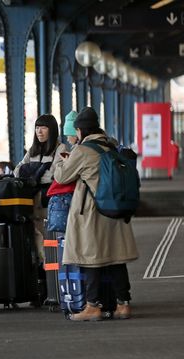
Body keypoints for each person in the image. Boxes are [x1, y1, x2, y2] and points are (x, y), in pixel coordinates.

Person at [54, 106, 138, 321]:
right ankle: (123, 304)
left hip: (92, 211)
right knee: (116, 258)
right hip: (115, 210)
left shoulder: (82, 151)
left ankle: (92, 306)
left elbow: (63, 177)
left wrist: (62, 160)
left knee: (91, 257)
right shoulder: (111, 145)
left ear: (80, 131)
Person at [14, 114, 66, 263]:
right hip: (31, 201)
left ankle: (53, 265)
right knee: (36, 235)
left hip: (48, 201)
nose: (39, 131)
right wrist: (41, 169)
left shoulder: (60, 148)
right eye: (37, 128)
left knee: (51, 234)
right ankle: (42, 267)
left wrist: (31, 172)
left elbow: (55, 176)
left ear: (52, 130)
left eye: (43, 127)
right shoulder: (32, 150)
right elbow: (17, 171)